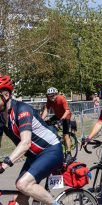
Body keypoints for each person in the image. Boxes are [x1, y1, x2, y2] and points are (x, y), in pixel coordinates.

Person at [0, 75, 63, 205]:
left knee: (23, 184)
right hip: (33, 156)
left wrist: (4, 164)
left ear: (5, 95)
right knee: (20, 199)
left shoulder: (22, 110)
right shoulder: (1, 117)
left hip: (50, 151)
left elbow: (25, 143)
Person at [41, 87, 73, 163]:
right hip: (57, 116)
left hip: (66, 116)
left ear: (56, 94)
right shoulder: (49, 100)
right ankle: (57, 137)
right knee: (46, 123)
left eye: (52, 95)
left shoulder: (61, 98)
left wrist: (61, 120)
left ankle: (69, 153)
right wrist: (41, 119)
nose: (51, 97)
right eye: (49, 96)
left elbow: (67, 111)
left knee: (66, 135)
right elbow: (46, 110)